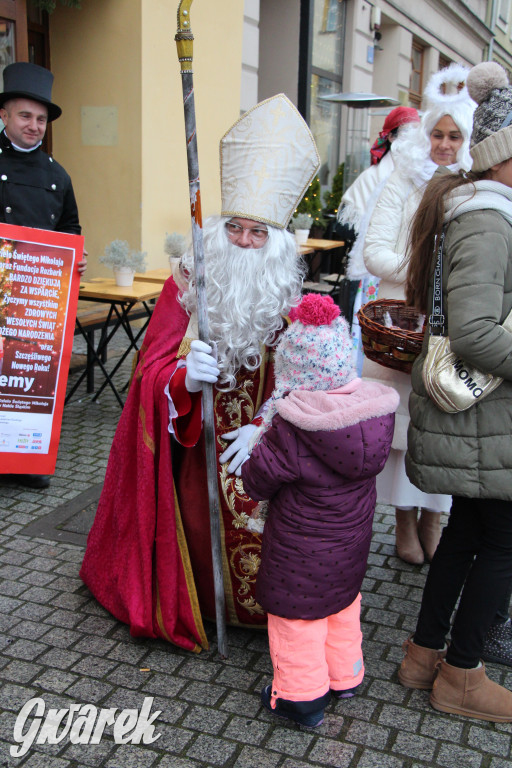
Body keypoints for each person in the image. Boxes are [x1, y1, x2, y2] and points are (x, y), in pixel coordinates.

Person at [79, 94, 321, 652]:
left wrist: (267, 424)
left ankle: (274, 612)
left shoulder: (288, 298)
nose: (243, 242)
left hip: (263, 445)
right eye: (235, 227)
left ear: (277, 244)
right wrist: (182, 381)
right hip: (194, 452)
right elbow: (148, 374)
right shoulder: (186, 284)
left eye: (258, 233)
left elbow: (306, 382)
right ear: (218, 228)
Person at [399, 61, 512, 722]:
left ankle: (423, 654)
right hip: (486, 417)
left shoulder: (484, 213)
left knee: (470, 532)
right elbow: (471, 332)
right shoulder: (491, 222)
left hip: (481, 419)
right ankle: (462, 675)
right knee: (501, 543)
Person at [239, 293, 399, 727]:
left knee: (297, 617)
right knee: (342, 604)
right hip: (350, 544)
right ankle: (345, 676)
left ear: (291, 372)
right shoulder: (373, 414)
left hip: (299, 550)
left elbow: (257, 478)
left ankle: (300, 699)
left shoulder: (292, 426)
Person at [362, 63, 476, 564]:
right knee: (402, 436)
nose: (444, 144)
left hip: (450, 331)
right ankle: (404, 524)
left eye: (454, 136)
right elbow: (374, 251)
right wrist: (424, 274)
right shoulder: (401, 184)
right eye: (436, 133)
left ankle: (435, 519)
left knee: (443, 432)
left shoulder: (474, 187)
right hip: (402, 330)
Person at [0, 61, 86, 491]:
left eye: (40, 119)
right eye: (24, 116)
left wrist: (75, 260)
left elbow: (70, 229)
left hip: (37, 300)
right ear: (4, 116)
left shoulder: (57, 175)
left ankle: (27, 458)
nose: (34, 126)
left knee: (34, 376)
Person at [337, 106, 420, 374]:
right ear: (392, 137)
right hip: (376, 268)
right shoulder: (373, 176)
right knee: (371, 332)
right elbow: (346, 225)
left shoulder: (421, 175)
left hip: (404, 273)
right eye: (405, 132)